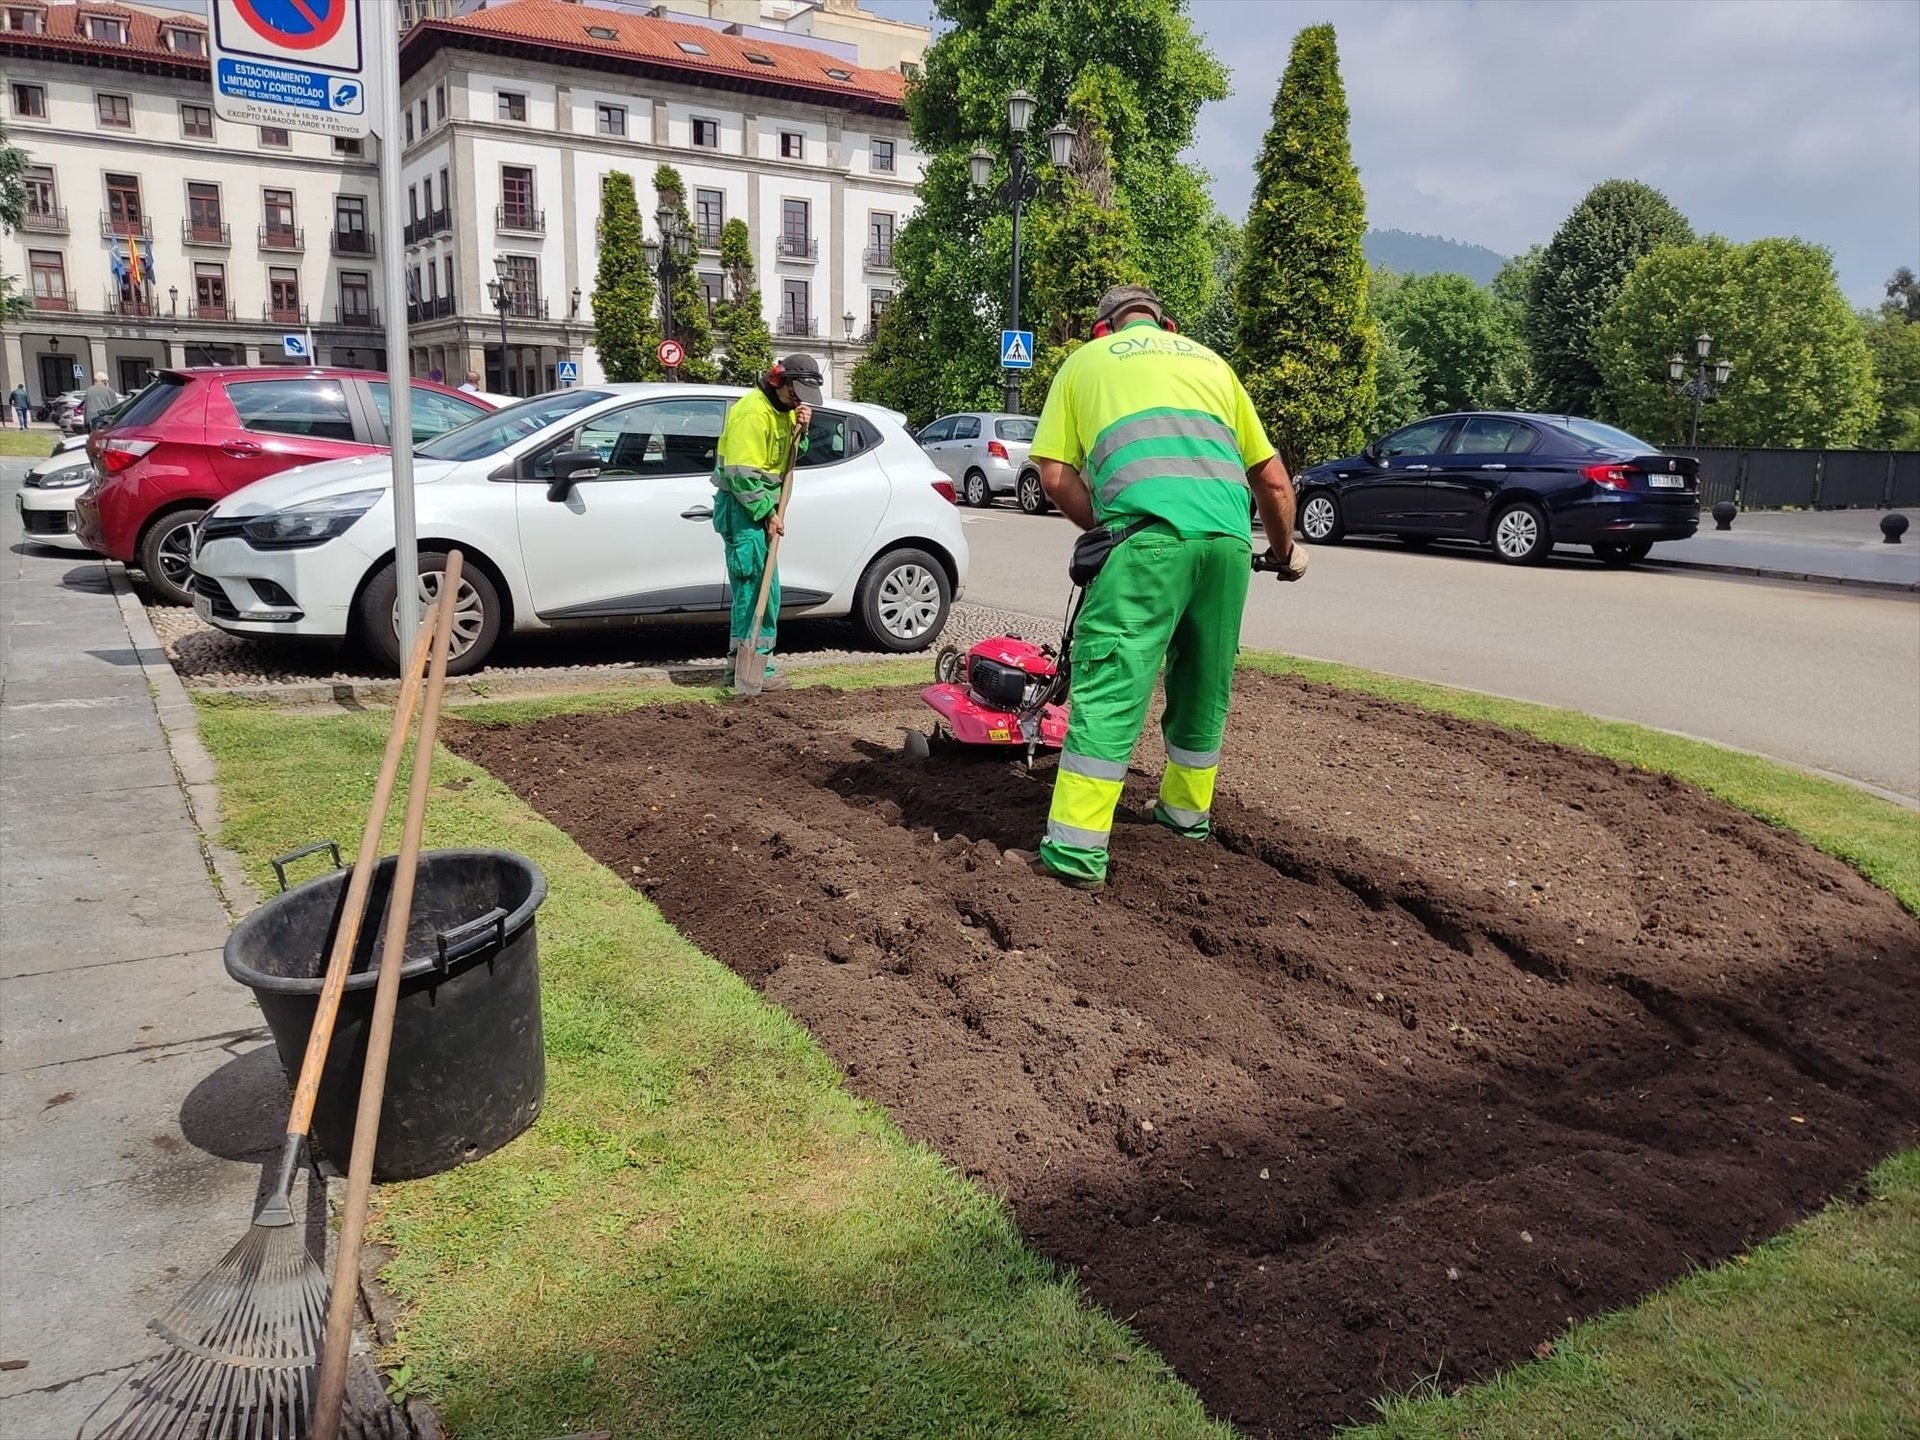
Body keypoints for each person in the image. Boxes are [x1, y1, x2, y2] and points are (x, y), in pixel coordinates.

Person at [1021, 285, 1303, 889]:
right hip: (1227, 545)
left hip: (1145, 543)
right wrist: (1284, 552)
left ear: (1104, 330)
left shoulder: (1084, 362)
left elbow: (1052, 475)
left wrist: (1105, 526)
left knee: (1113, 685)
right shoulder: (1214, 365)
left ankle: (1074, 855)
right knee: (1204, 685)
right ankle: (1183, 820)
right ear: (1167, 326)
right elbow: (1274, 483)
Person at [710, 354, 822, 691]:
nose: (799, 399)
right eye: (797, 392)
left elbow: (787, 456)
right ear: (780, 382)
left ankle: (759, 665)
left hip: (762, 508)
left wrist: (802, 429)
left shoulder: (783, 411)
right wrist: (768, 514)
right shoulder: (752, 412)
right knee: (752, 590)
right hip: (743, 510)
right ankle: (744, 672)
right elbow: (741, 474)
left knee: (768, 592)